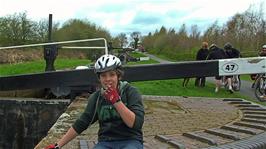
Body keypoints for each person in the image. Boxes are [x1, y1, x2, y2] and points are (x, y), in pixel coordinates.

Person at [45, 54, 145, 149]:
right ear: (99, 78)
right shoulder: (97, 97)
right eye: (103, 76)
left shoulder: (130, 92)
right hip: (106, 142)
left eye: (112, 74)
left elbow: (136, 124)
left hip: (130, 140)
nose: (108, 79)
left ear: (119, 76)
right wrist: (58, 145)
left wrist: (116, 101)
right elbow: (82, 123)